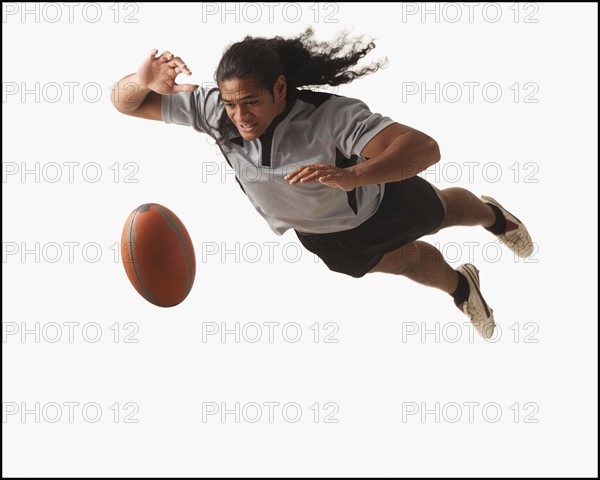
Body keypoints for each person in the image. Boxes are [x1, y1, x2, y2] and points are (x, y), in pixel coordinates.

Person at [110, 28, 533, 340]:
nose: (240, 114)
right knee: (406, 263)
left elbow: (425, 148)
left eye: (251, 101)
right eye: (231, 103)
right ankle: (463, 286)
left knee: (446, 211)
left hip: (379, 202)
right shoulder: (215, 111)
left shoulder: (329, 118)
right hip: (323, 236)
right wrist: (140, 80)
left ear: (279, 89)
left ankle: (494, 216)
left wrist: (354, 175)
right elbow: (127, 103)